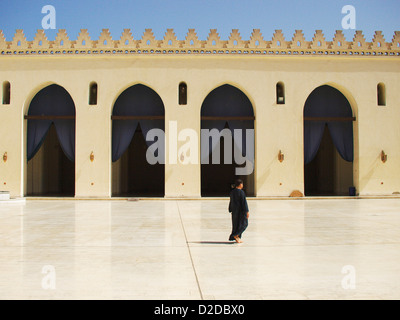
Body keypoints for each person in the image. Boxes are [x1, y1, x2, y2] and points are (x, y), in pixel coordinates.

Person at [228, 179, 249, 243]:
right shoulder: (241, 192)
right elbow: (244, 203)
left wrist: (230, 209)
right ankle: (235, 235)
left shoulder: (232, 192)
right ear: (240, 184)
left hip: (234, 211)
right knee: (244, 224)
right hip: (241, 211)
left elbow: (231, 201)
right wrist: (247, 211)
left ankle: (237, 238)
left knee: (236, 225)